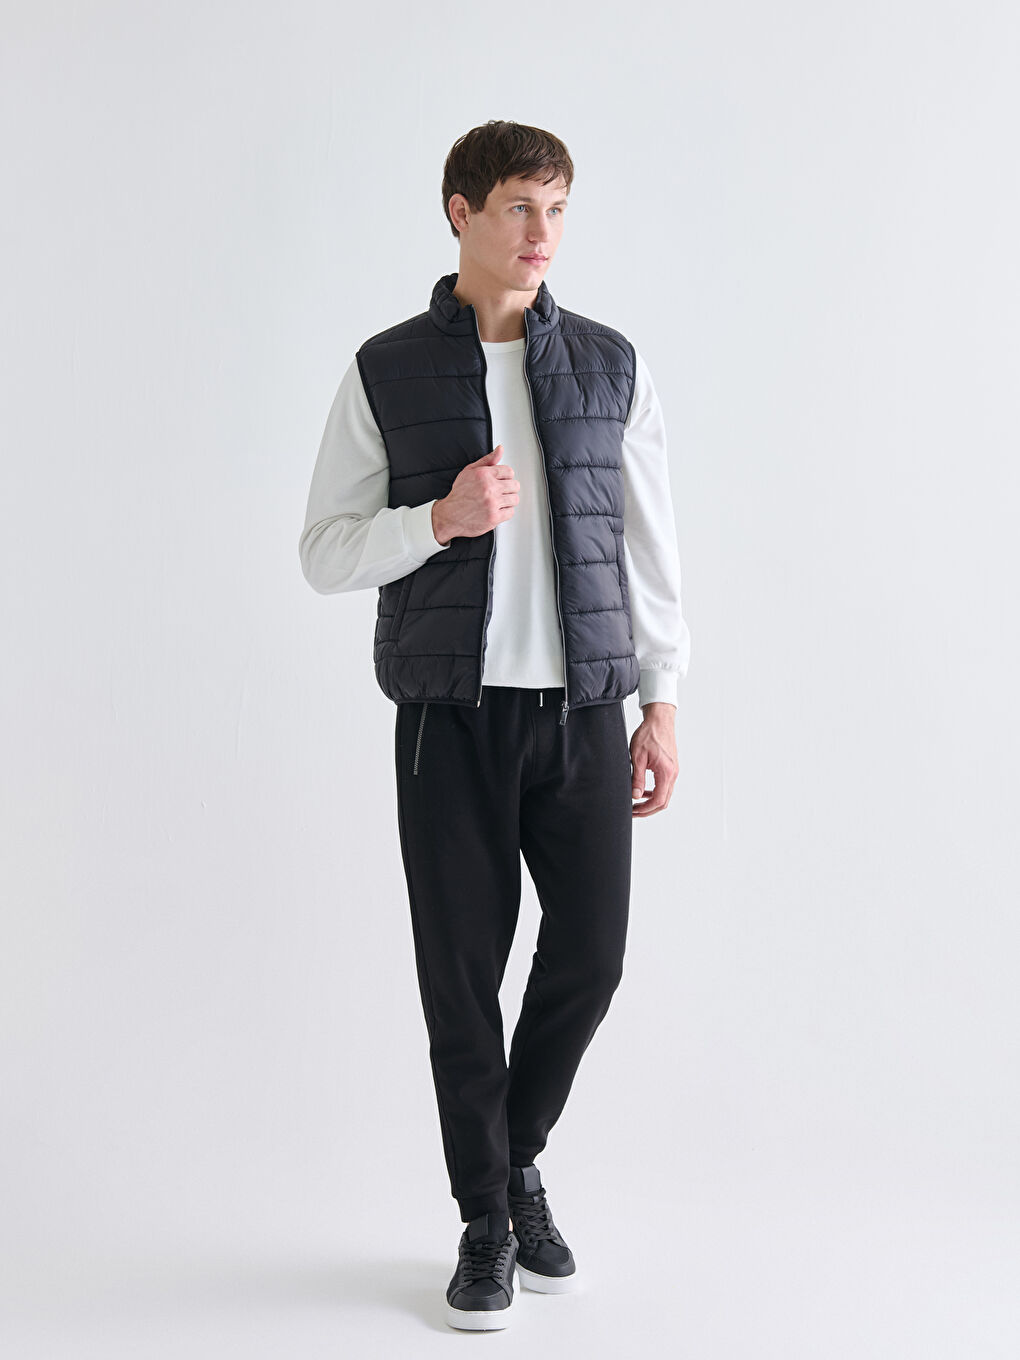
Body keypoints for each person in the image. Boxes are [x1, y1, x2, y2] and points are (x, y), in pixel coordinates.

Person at [298, 119, 691, 1331]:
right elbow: (324, 551)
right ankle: (486, 1220)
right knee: (461, 978)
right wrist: (442, 520)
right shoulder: (386, 369)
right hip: (448, 722)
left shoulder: (612, 366)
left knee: (593, 955)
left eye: (557, 209)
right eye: (521, 206)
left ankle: (515, 1160)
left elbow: (651, 546)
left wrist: (662, 699)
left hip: (583, 714)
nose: (542, 233)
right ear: (460, 212)